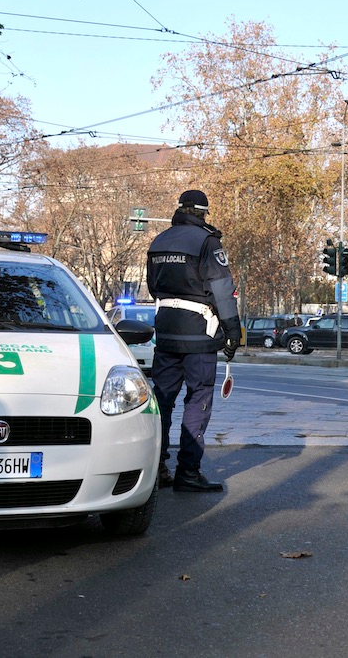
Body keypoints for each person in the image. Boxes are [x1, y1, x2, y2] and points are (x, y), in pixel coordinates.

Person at [146, 189, 242, 493]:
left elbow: (152, 286)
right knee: (198, 398)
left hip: (165, 333)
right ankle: (188, 472)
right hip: (199, 334)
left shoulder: (158, 241)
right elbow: (222, 290)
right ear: (203, 213)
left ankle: (155, 467)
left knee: (161, 401)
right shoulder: (207, 242)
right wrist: (233, 330)